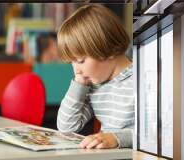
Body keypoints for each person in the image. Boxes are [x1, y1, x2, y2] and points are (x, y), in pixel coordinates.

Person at [56, 4, 134, 150]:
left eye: (80, 61)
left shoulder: (141, 80)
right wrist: (79, 85)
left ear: (109, 49)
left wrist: (117, 138)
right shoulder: (94, 85)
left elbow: (158, 133)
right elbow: (66, 127)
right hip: (107, 159)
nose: (76, 70)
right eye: (71, 62)